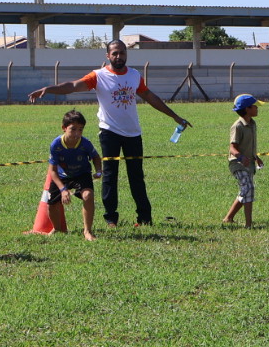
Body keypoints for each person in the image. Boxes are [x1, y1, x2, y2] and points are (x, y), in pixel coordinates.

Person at [26, 39, 190, 227]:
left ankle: (145, 218)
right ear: (108, 55)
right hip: (109, 132)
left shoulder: (135, 75)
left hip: (133, 133)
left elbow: (150, 97)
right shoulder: (99, 76)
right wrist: (49, 89)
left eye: (122, 52)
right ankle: (111, 219)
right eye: (115, 53)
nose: (119, 56)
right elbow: (72, 86)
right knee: (109, 176)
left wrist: (175, 117)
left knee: (137, 177)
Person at [48, 109, 102, 241]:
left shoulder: (85, 143)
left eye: (80, 129)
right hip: (61, 176)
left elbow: (96, 157)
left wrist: (99, 171)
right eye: (73, 129)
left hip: (81, 174)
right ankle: (57, 228)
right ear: (64, 128)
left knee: (88, 195)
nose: (77, 134)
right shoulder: (56, 145)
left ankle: (87, 231)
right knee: (52, 204)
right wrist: (62, 189)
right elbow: (53, 171)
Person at [223, 94, 263, 227]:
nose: (257, 108)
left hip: (249, 163)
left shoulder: (252, 124)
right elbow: (232, 147)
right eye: (255, 106)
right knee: (249, 188)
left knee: (245, 191)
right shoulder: (238, 126)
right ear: (247, 109)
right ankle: (248, 224)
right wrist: (241, 157)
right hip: (237, 164)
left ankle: (228, 218)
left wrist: (256, 157)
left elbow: (249, 145)